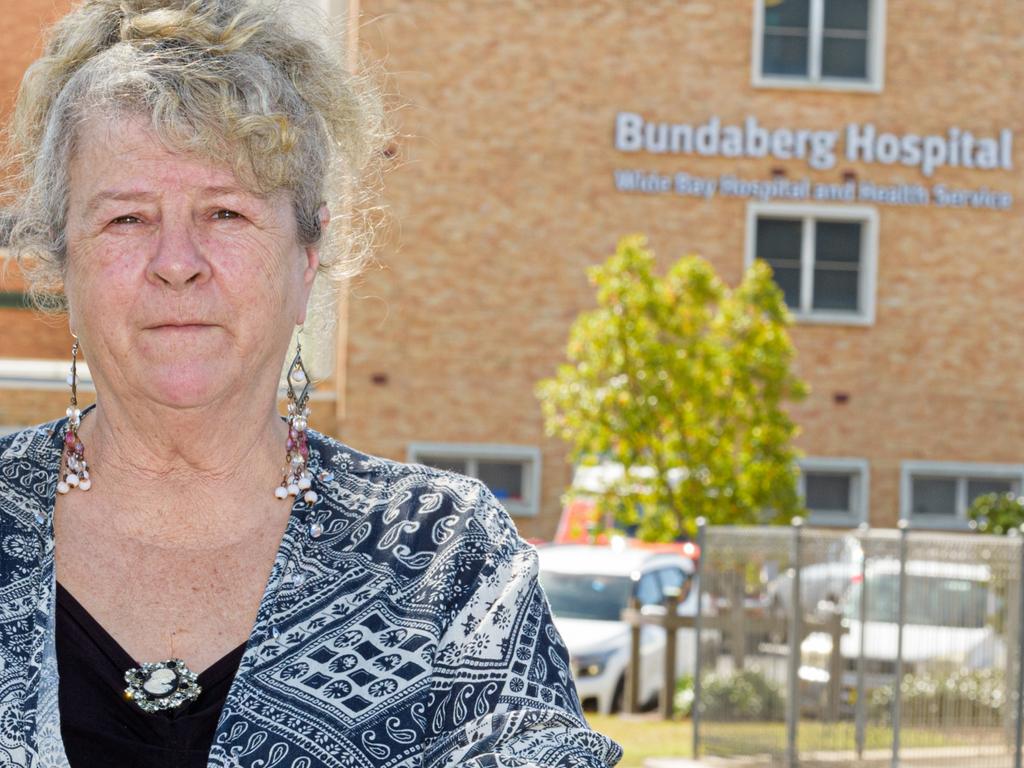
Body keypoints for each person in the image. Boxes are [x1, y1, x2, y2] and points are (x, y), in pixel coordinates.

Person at [0, 1, 623, 766]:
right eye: (127, 219)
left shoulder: (443, 560)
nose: (177, 261)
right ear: (62, 265)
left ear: (305, 262)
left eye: (225, 212)